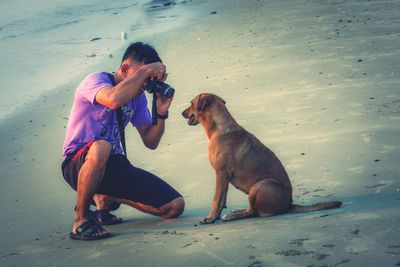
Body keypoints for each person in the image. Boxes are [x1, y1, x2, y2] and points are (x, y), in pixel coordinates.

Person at [61, 42, 185, 241]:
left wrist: (161, 113)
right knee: (101, 147)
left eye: (149, 79)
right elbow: (112, 99)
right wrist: (145, 71)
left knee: (175, 206)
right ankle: (81, 220)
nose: (146, 83)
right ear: (126, 69)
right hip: (77, 163)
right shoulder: (97, 80)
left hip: (114, 164)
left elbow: (150, 141)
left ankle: (106, 196)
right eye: (144, 76)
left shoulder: (137, 99)